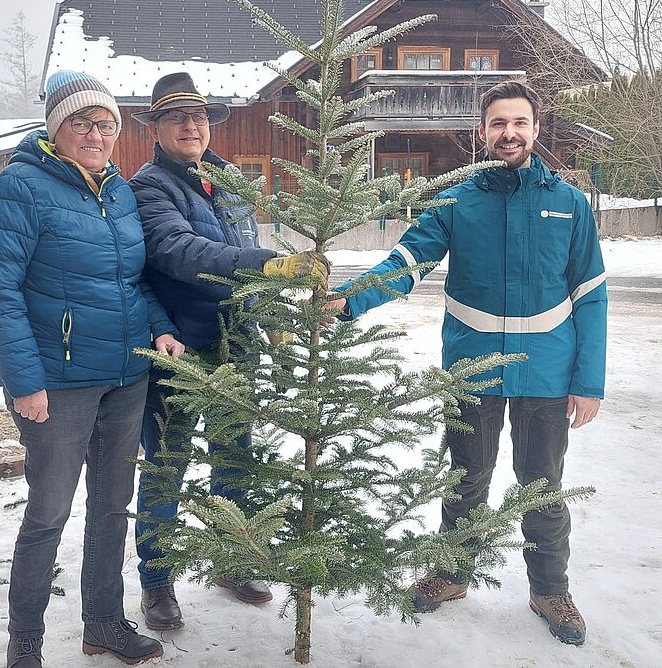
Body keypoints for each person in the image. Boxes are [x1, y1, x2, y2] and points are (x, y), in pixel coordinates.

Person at [325, 81, 607, 646]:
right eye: (498, 123)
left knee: (542, 485)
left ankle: (549, 588)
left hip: (548, 373)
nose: (509, 133)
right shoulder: (456, 199)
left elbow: (592, 294)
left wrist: (589, 382)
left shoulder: (570, 204)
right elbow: (407, 261)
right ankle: (453, 574)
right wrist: (348, 298)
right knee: (466, 477)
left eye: (519, 123)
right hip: (472, 369)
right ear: (482, 133)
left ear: (535, 129)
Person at [0, 70, 176, 667]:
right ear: (55, 128)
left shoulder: (118, 191)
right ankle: (25, 644)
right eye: (82, 122)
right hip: (57, 385)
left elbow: (132, 279)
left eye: (106, 123)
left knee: (112, 507)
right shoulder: (19, 188)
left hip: (125, 375)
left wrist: (158, 325)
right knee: (48, 513)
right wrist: (23, 381)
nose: (95, 133)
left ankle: (104, 625)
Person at [129, 72, 329, 631]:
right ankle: (156, 580)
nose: (191, 126)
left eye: (198, 117)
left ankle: (233, 560)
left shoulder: (228, 179)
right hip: (180, 349)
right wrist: (267, 265)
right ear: (157, 129)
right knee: (167, 465)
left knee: (234, 458)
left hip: (236, 346)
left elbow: (237, 246)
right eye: (177, 118)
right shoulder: (149, 187)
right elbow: (177, 250)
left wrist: (270, 319)